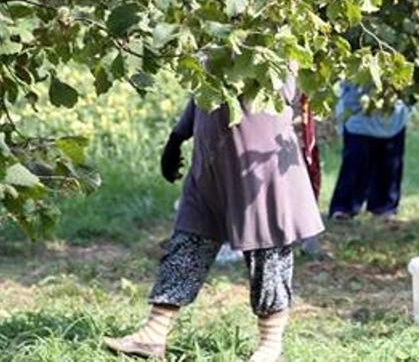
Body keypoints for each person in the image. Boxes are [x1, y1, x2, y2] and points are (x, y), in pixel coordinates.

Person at [104, 75, 323, 361]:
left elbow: (282, 88)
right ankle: (153, 334)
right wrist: (178, 135)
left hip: (259, 167)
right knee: (188, 242)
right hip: (211, 164)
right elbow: (203, 86)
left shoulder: (275, 33)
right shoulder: (212, 34)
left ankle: (270, 345)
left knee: (267, 250)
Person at [328, 82, 410, 220]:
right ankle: (344, 208)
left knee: (388, 165)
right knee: (355, 163)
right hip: (358, 108)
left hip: (391, 114)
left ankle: (384, 208)